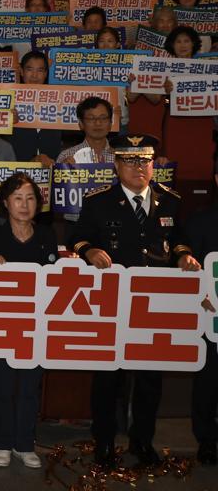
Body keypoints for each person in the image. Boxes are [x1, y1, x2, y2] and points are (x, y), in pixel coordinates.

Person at [68, 134, 197, 469]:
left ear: (153, 165)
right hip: (113, 303)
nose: (138, 167)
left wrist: (183, 256)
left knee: (150, 378)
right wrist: (89, 250)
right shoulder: (99, 201)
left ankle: (142, 441)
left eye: (145, 160)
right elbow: (76, 237)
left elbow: (178, 240)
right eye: (129, 160)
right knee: (109, 378)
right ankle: (104, 442)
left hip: (154, 304)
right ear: (116, 165)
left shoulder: (170, 200)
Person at [0, 173, 58, 470]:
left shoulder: (47, 235)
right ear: (5, 203)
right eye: (18, 198)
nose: (24, 205)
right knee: (2, 386)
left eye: (30, 198)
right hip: (2, 323)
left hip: (36, 324)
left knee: (29, 388)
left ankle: (25, 444)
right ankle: (1, 442)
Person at [184, 174, 218, 464]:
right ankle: (207, 439)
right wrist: (200, 296)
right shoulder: (200, 221)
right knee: (209, 380)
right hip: (211, 315)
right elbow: (187, 269)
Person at [6, 52, 60, 167]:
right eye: (29, 69)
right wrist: (5, 123)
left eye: (40, 70)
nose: (34, 76)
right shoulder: (8, 100)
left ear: (46, 73)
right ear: (21, 71)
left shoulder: (60, 100)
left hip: (52, 169)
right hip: (17, 169)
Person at [56, 97, 115, 166]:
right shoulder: (67, 155)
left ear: (110, 123)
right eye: (91, 118)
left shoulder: (120, 157)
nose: (98, 123)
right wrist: (64, 168)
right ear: (81, 124)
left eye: (103, 118)